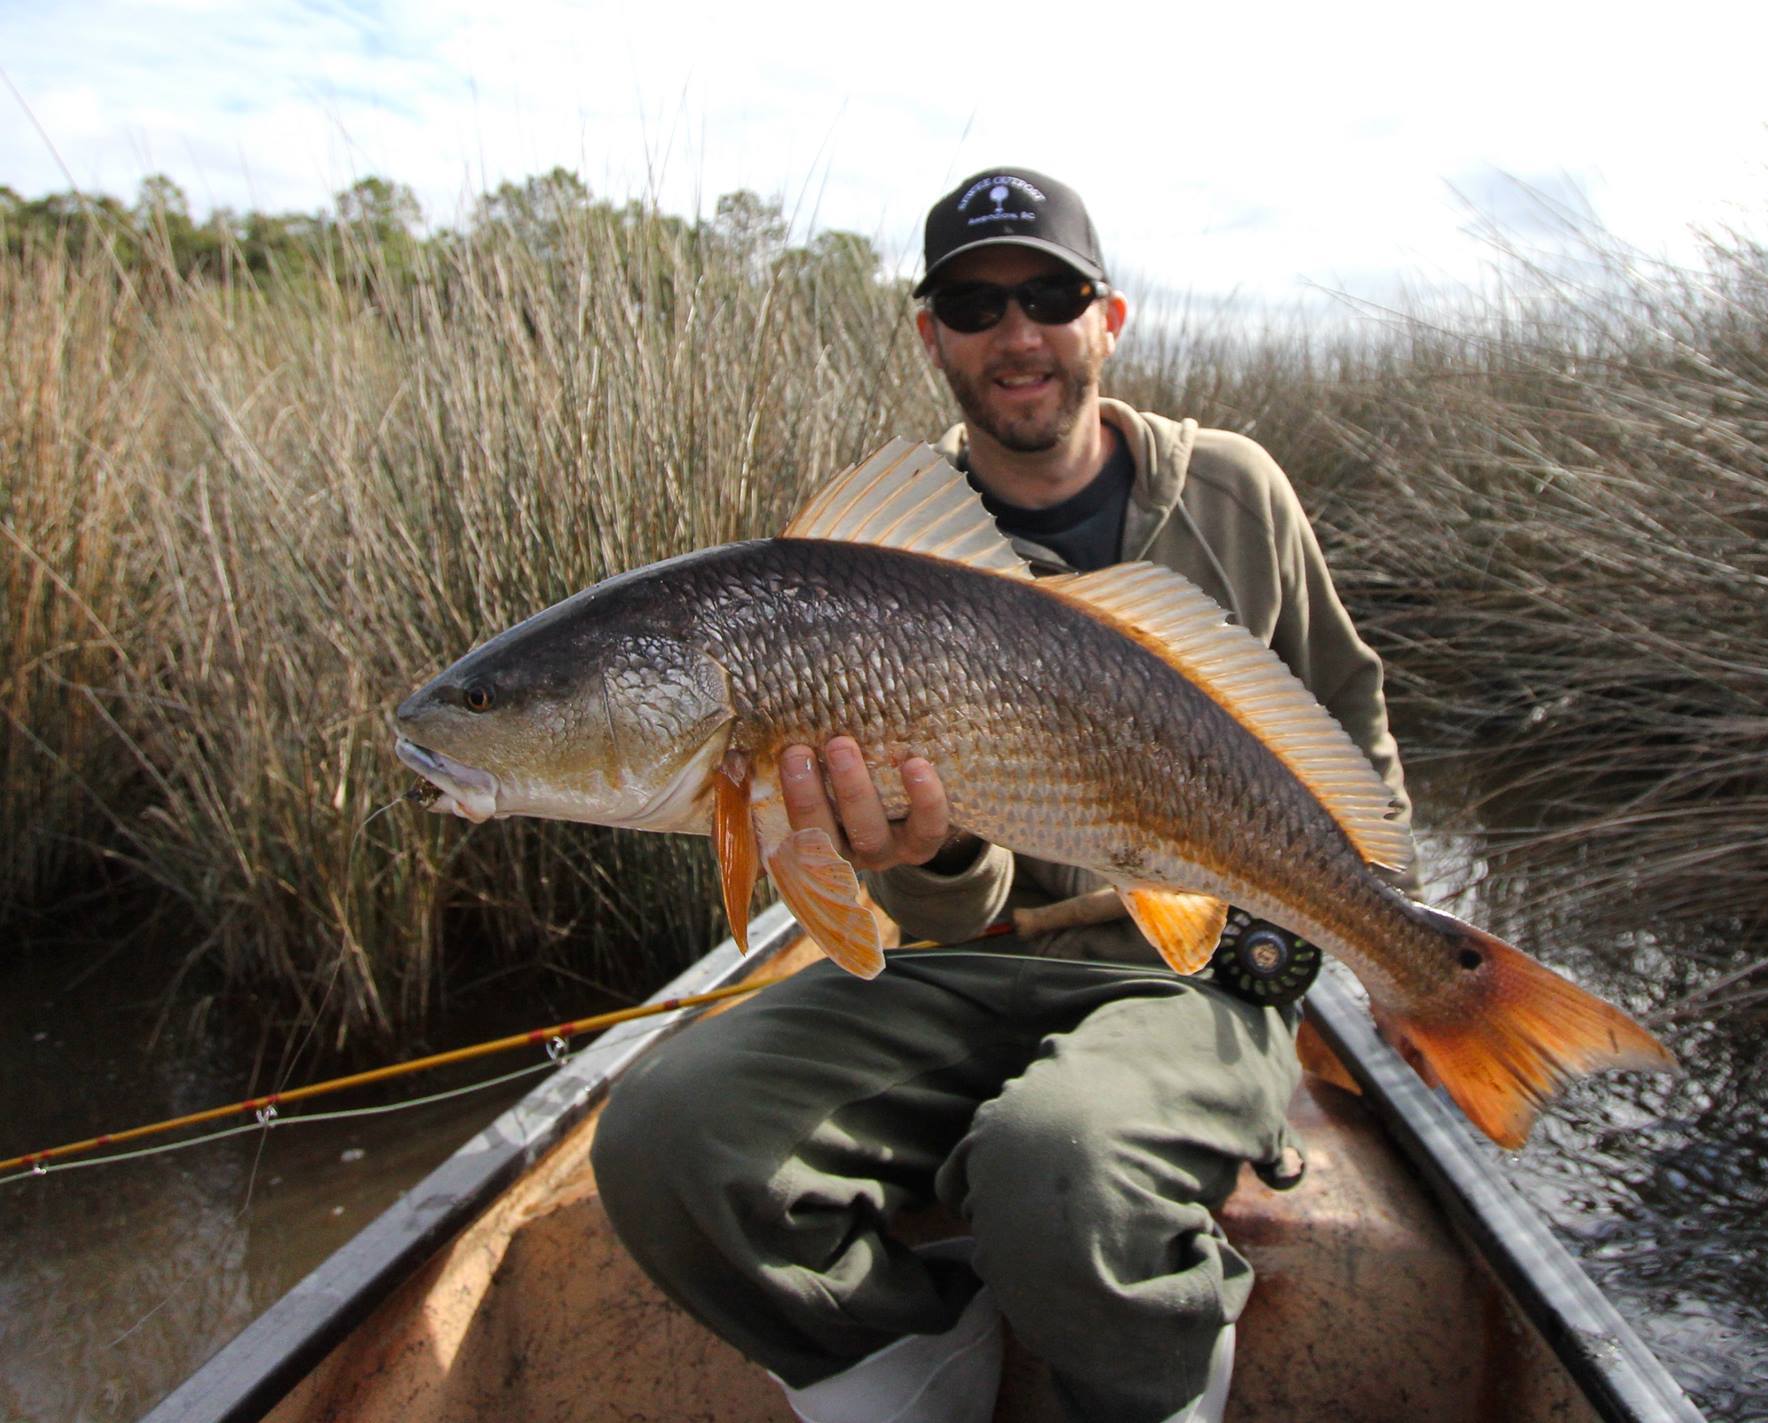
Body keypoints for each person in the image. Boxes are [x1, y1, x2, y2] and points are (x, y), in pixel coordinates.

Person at [592, 167, 1410, 1423]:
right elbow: (925, 913)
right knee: (664, 1136)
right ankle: (916, 1367)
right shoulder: (870, 563)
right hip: (961, 962)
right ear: (930, 336)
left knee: (1059, 1160)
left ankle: (1154, 1390)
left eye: (1049, 293)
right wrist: (917, 854)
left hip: (1193, 972)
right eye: (973, 305)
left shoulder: (1237, 491)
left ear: (1108, 319)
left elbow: (1347, 723)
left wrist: (1376, 925)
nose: (1015, 331)